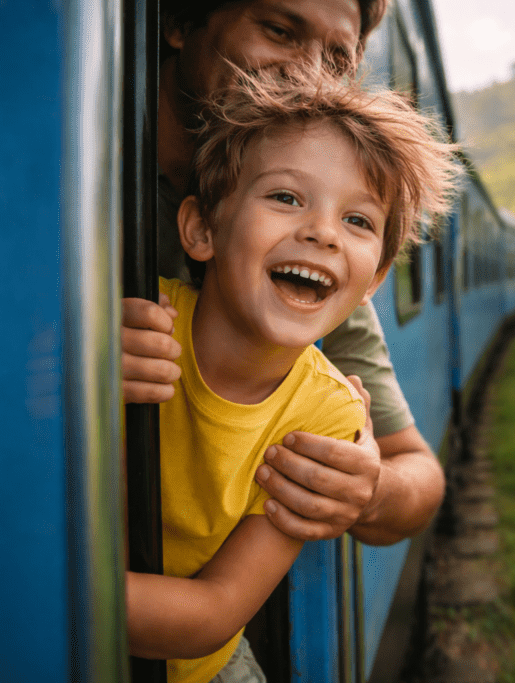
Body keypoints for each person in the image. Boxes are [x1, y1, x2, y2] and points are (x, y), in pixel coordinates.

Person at [125, 59, 459, 683]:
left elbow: (215, 613)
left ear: (375, 282)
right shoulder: (140, 322)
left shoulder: (331, 415)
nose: (322, 233)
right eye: (285, 197)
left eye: (358, 221)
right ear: (201, 228)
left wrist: (46, 594)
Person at [122, 0, 445, 547]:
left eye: (337, 59)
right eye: (280, 31)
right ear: (177, 21)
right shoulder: (66, 161)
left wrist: (368, 488)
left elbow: (417, 471)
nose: (308, 72)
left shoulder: (305, 259)